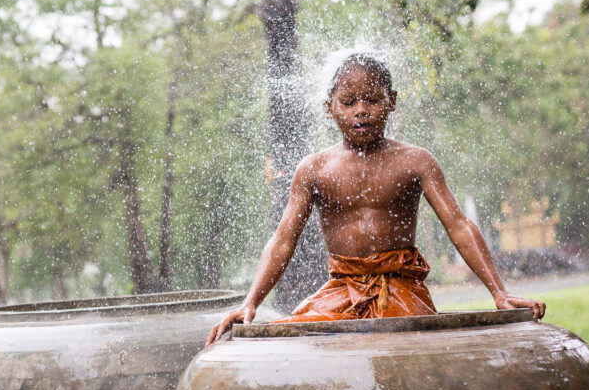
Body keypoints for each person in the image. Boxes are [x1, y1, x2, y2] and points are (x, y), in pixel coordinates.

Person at [207, 53, 545, 346]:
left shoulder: (416, 161)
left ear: (392, 100)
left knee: (414, 358)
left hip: (402, 291)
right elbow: (282, 241)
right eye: (349, 102)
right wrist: (250, 302)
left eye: (372, 99)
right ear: (329, 108)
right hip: (340, 291)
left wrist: (499, 293)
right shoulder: (314, 170)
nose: (361, 111)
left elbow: (458, 225)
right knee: (299, 348)